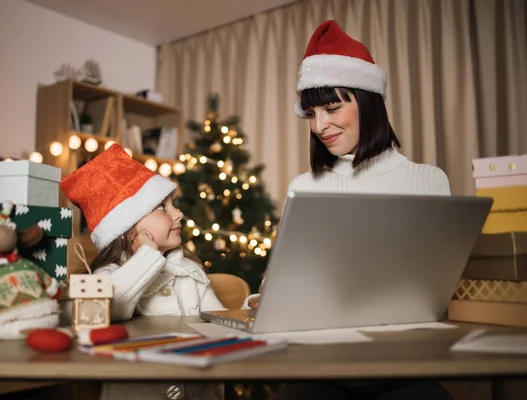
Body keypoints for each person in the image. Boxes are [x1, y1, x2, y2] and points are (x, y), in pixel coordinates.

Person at [248, 20, 453, 400]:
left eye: (332, 108)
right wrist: (270, 291)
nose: (320, 126)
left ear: (368, 102)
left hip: (404, 367)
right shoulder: (303, 187)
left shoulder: (428, 180)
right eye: (311, 113)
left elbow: (441, 292)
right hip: (319, 368)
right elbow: (277, 283)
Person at [61, 144, 226, 400]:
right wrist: (146, 259)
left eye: (174, 205)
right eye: (162, 207)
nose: (179, 214)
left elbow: (223, 324)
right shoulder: (107, 275)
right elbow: (110, 308)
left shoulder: (189, 269)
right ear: (126, 230)